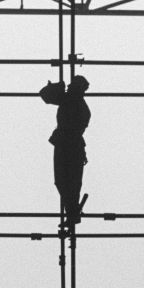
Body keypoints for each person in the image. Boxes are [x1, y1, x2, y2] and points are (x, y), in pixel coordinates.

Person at [40, 75, 91, 226]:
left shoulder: (77, 104)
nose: (68, 88)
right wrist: (59, 86)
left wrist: (60, 88)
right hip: (64, 145)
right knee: (62, 181)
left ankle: (72, 213)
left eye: (71, 86)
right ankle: (72, 212)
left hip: (71, 146)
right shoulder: (69, 99)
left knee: (71, 183)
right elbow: (44, 95)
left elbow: (46, 95)